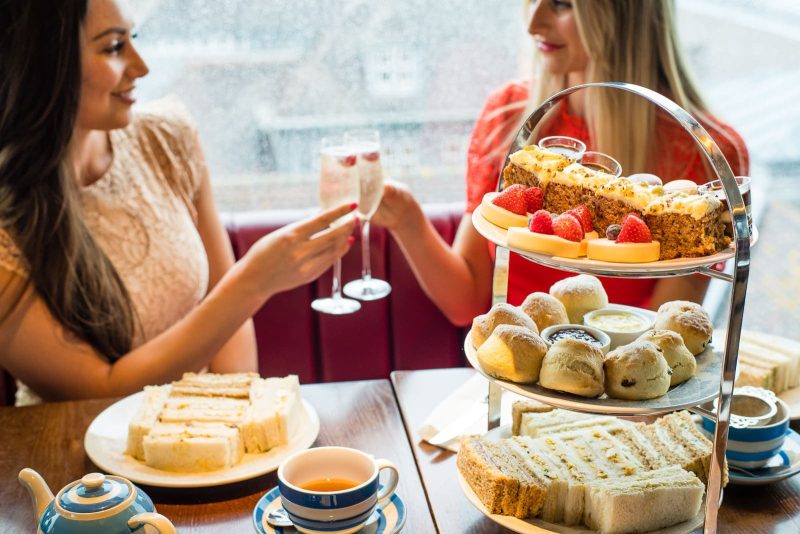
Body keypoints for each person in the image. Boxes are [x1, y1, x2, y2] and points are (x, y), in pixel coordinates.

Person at [0, 0, 356, 405]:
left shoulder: (167, 138)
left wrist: (233, 433)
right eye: (114, 47)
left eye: (132, 38)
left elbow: (229, 328)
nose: (141, 66)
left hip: (203, 439)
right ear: (43, 66)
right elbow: (99, 391)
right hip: (74, 459)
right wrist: (254, 282)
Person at [373, 0, 749, 326]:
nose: (533, 23)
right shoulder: (509, 119)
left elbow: (662, 336)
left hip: (623, 392)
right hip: (515, 365)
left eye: (562, 3)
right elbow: (466, 302)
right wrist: (407, 219)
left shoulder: (707, 155)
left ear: (623, 14)